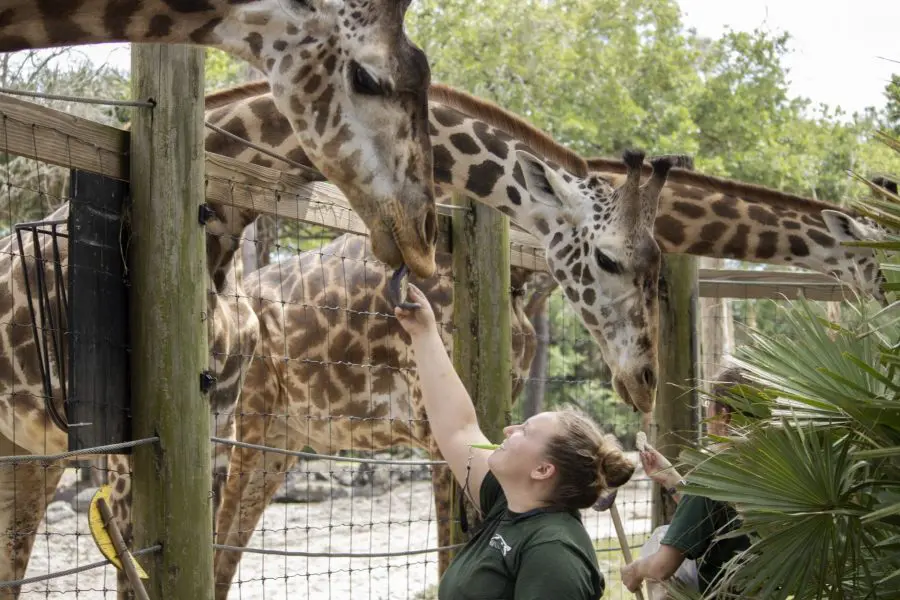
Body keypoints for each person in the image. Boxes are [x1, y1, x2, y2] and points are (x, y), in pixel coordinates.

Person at [394, 284, 636, 600]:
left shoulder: (553, 554)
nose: (509, 430)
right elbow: (458, 428)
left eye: (525, 430)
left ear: (542, 469)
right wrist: (424, 334)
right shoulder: (509, 502)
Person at [620, 367, 752, 597]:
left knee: (660, 538)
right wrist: (671, 478)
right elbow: (718, 516)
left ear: (723, 416)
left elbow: (663, 567)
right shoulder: (774, 466)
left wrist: (636, 569)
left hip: (723, 592)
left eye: (707, 403)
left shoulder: (715, 471)